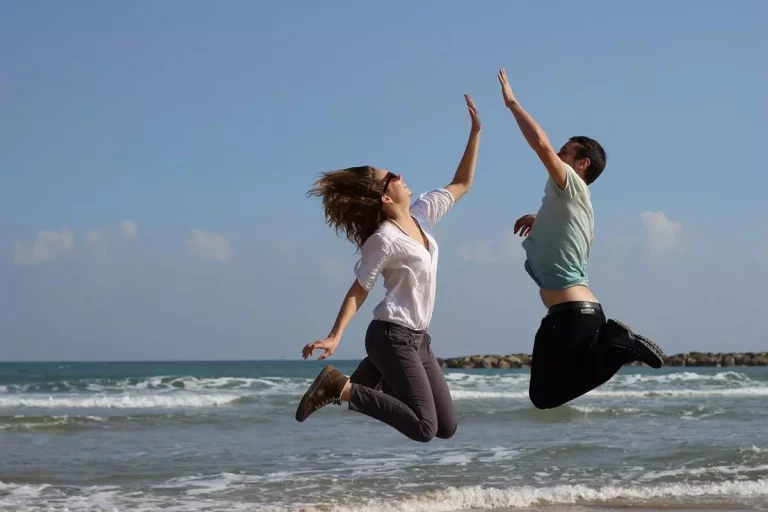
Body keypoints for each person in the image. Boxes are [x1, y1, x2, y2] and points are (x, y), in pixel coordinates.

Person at [294, 94, 482, 442]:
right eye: (392, 175)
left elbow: (462, 183)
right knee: (425, 429)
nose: (401, 175)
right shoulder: (384, 239)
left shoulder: (422, 215)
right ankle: (341, 386)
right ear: (385, 196)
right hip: (391, 336)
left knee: (446, 427)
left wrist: (475, 133)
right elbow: (359, 288)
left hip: (419, 340)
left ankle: (366, 379)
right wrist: (335, 335)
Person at [497, 68, 665, 410]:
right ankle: (617, 345)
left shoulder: (572, 184)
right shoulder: (575, 202)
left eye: (565, 152)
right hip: (572, 314)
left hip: (573, 314)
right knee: (544, 395)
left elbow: (540, 145)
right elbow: (583, 240)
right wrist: (541, 220)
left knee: (545, 396)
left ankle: (620, 346)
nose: (557, 156)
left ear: (581, 164)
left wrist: (513, 104)